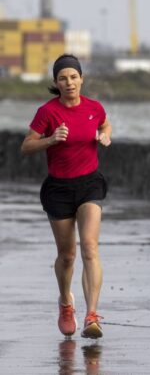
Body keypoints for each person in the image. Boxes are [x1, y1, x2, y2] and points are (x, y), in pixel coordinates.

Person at [21, 54, 112, 339]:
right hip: (59, 189)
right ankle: (65, 303)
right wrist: (50, 139)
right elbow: (26, 146)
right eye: (63, 78)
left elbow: (105, 124)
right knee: (67, 255)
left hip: (89, 185)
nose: (69, 82)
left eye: (73, 77)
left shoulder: (94, 108)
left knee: (89, 247)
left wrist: (105, 135)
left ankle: (92, 316)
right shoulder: (47, 112)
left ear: (81, 79)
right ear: (56, 83)